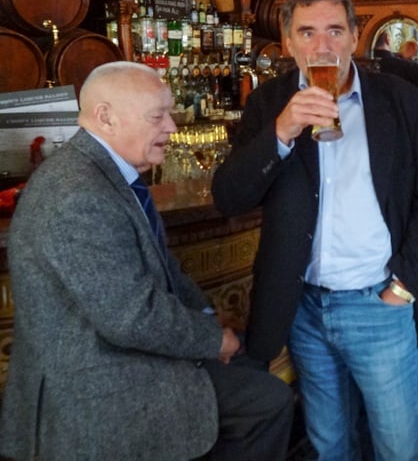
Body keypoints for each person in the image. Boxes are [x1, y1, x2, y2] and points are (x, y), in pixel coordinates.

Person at [0, 62, 294, 460]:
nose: (172, 127)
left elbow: (165, 270)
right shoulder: (75, 193)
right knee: (267, 400)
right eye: (158, 116)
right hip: (95, 386)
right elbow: (130, 317)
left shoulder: (104, 173)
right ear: (106, 117)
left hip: (122, 358)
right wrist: (212, 339)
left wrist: (207, 318)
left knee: (255, 377)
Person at [212, 0, 418, 460]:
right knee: (328, 444)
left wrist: (402, 285)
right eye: (308, 32)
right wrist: (281, 131)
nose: (323, 46)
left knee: (397, 447)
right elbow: (228, 197)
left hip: (377, 304)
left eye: (335, 31)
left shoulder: (400, 101)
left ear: (356, 37)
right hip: (304, 309)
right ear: (289, 42)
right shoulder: (268, 103)